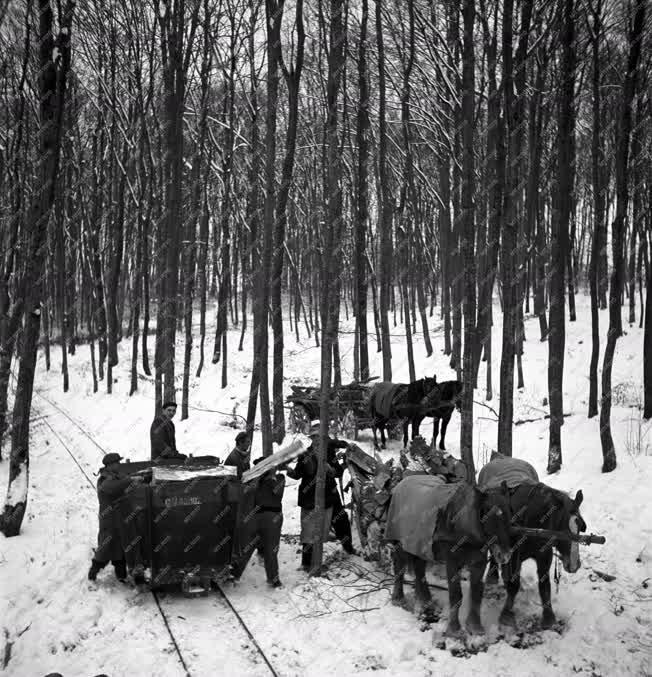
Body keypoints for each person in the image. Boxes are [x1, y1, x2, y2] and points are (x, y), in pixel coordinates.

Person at [286, 433, 352, 571]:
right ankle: (307, 563)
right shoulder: (305, 455)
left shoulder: (328, 452)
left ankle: (348, 547)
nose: (317, 441)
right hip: (310, 497)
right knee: (309, 529)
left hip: (329, 495)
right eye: (314, 438)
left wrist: (332, 470)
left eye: (319, 438)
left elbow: (338, 471)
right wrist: (287, 470)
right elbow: (297, 474)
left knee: (341, 519)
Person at [88, 453, 143, 582]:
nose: (119, 464)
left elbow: (123, 484)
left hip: (120, 517)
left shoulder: (115, 476)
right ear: (110, 465)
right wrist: (131, 480)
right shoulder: (104, 479)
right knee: (106, 546)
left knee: (120, 546)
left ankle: (121, 575)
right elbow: (112, 487)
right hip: (109, 518)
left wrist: (135, 479)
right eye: (117, 463)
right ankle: (93, 572)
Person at [251, 458, 286, 588]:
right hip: (260, 516)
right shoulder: (257, 481)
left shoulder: (279, 478)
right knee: (268, 549)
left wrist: (270, 477)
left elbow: (278, 492)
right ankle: (273, 579)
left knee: (270, 549)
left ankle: (273, 578)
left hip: (270, 517)